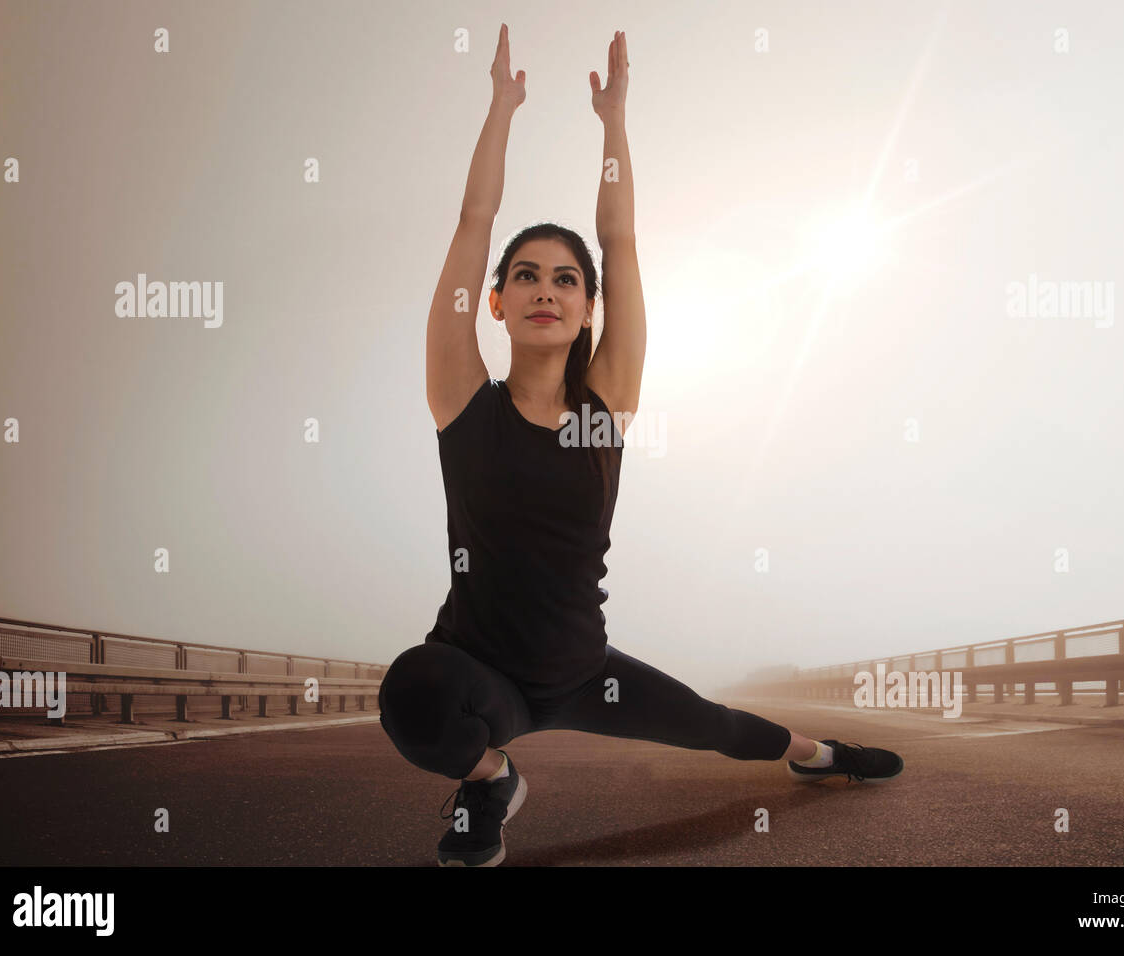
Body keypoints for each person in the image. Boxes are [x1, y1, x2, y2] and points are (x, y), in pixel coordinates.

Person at [379, 24, 903, 867]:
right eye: (525, 275)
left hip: (587, 669)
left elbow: (619, 243)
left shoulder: (606, 408)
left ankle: (821, 757)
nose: (545, 289)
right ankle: (491, 782)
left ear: (588, 309)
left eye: (565, 279)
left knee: (722, 729)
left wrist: (613, 120)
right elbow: (474, 219)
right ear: (495, 304)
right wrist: (500, 109)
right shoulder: (462, 404)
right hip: (480, 670)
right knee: (412, 691)